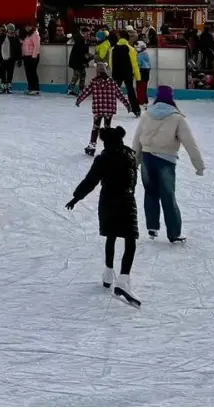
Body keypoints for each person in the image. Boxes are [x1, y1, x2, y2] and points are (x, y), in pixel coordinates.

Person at [66, 126, 141, 307]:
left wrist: (76, 197)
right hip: (127, 200)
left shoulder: (103, 159)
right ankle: (123, 278)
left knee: (112, 236)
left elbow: (91, 180)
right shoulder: (130, 155)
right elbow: (133, 178)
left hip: (108, 200)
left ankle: (108, 273)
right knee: (130, 239)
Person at [131, 85, 204, 243]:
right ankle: (174, 233)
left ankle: (152, 227)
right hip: (166, 161)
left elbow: (137, 139)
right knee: (168, 196)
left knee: (150, 193)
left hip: (147, 159)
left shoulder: (147, 115)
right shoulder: (176, 117)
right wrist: (199, 165)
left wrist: (134, 161)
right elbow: (190, 143)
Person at [75, 62, 133, 156]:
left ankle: (92, 146)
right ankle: (109, 146)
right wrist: (128, 105)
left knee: (96, 127)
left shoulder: (94, 81)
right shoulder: (112, 82)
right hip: (109, 110)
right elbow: (120, 94)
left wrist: (79, 100)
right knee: (107, 128)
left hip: (98, 109)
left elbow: (86, 92)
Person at [110, 32, 141, 117]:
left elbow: (110, 63)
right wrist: (138, 77)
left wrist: (114, 72)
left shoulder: (113, 49)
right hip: (127, 74)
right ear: (127, 39)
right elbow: (134, 64)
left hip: (116, 74)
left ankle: (109, 109)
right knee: (131, 92)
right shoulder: (130, 49)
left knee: (114, 93)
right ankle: (136, 110)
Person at [67, 30, 91, 96]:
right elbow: (82, 53)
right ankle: (70, 90)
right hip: (76, 61)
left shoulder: (87, 42)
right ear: (84, 34)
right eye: (87, 34)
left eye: (89, 34)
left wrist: (86, 62)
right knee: (76, 75)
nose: (89, 36)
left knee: (83, 74)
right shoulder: (79, 40)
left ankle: (80, 90)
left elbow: (85, 53)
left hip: (81, 61)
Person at [0, 24, 20, 94]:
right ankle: (3, 85)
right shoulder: (2, 37)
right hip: (3, 58)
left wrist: (19, 59)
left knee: (10, 72)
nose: (11, 31)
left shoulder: (16, 38)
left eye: (12, 29)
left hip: (12, 58)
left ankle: (9, 85)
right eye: (10, 29)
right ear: (7, 30)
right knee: (2, 73)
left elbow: (18, 49)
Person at [21, 24, 42, 95]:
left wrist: (34, 57)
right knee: (28, 73)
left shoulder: (35, 34)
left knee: (32, 73)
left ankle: (35, 88)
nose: (27, 27)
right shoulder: (27, 35)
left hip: (32, 57)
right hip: (26, 56)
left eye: (29, 26)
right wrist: (23, 55)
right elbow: (24, 45)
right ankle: (31, 88)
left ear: (32, 26)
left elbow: (37, 46)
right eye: (26, 26)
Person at [135, 41, 152, 106]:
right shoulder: (146, 53)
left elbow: (138, 64)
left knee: (140, 87)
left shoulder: (140, 55)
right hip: (146, 72)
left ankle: (140, 101)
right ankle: (145, 100)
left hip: (141, 71)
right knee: (144, 87)